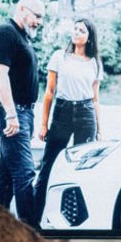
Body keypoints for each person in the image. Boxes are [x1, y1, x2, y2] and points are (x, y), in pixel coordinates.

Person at [28, 16, 102, 228]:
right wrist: (43, 125)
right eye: (75, 29)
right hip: (62, 112)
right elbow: (49, 92)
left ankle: (75, 221)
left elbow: (96, 99)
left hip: (86, 113)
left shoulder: (95, 63)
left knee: (81, 170)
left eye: (82, 30)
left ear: (89, 38)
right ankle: (32, 221)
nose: (76, 32)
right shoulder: (60, 57)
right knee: (48, 166)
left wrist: (99, 131)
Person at [0, 0, 46, 220]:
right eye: (37, 16)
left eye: (42, 18)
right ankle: (30, 233)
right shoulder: (6, 32)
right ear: (22, 9)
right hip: (11, 112)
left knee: (8, 175)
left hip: (22, 112)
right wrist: (11, 114)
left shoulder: (22, 37)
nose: (39, 21)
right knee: (24, 173)